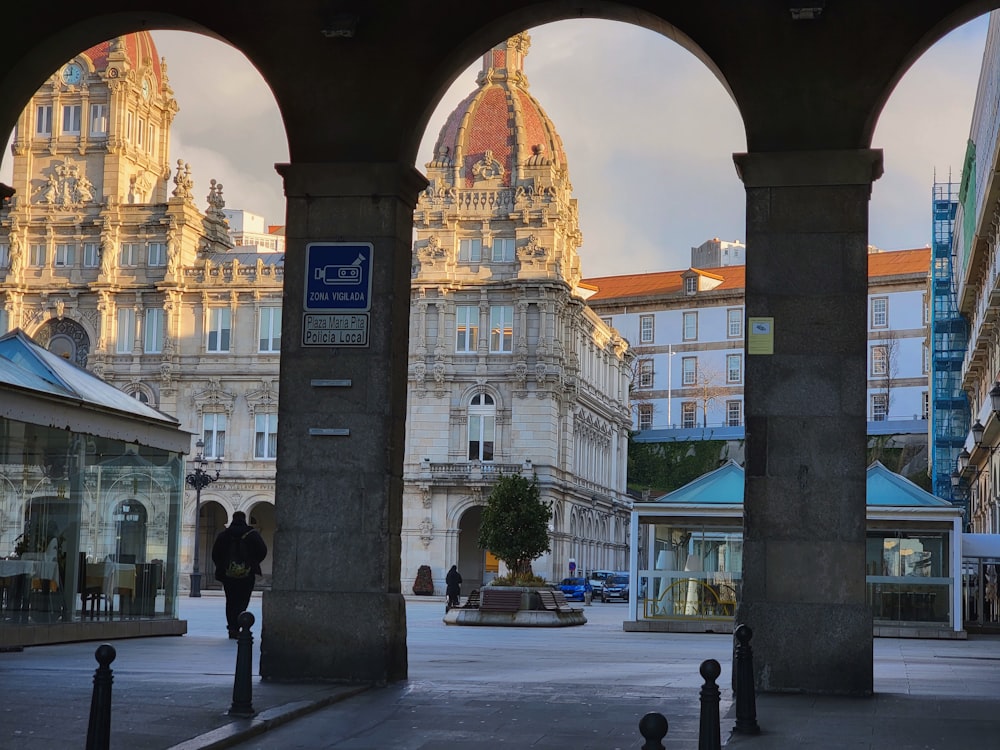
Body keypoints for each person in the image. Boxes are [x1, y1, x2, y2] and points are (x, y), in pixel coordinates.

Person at [211, 511, 267, 639]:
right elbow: (263, 550)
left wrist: (224, 565)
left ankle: (232, 628)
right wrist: (252, 563)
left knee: (230, 601)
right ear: (244, 519)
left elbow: (215, 554)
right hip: (247, 575)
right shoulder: (252, 535)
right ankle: (239, 624)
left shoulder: (224, 535)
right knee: (243, 600)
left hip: (228, 575)